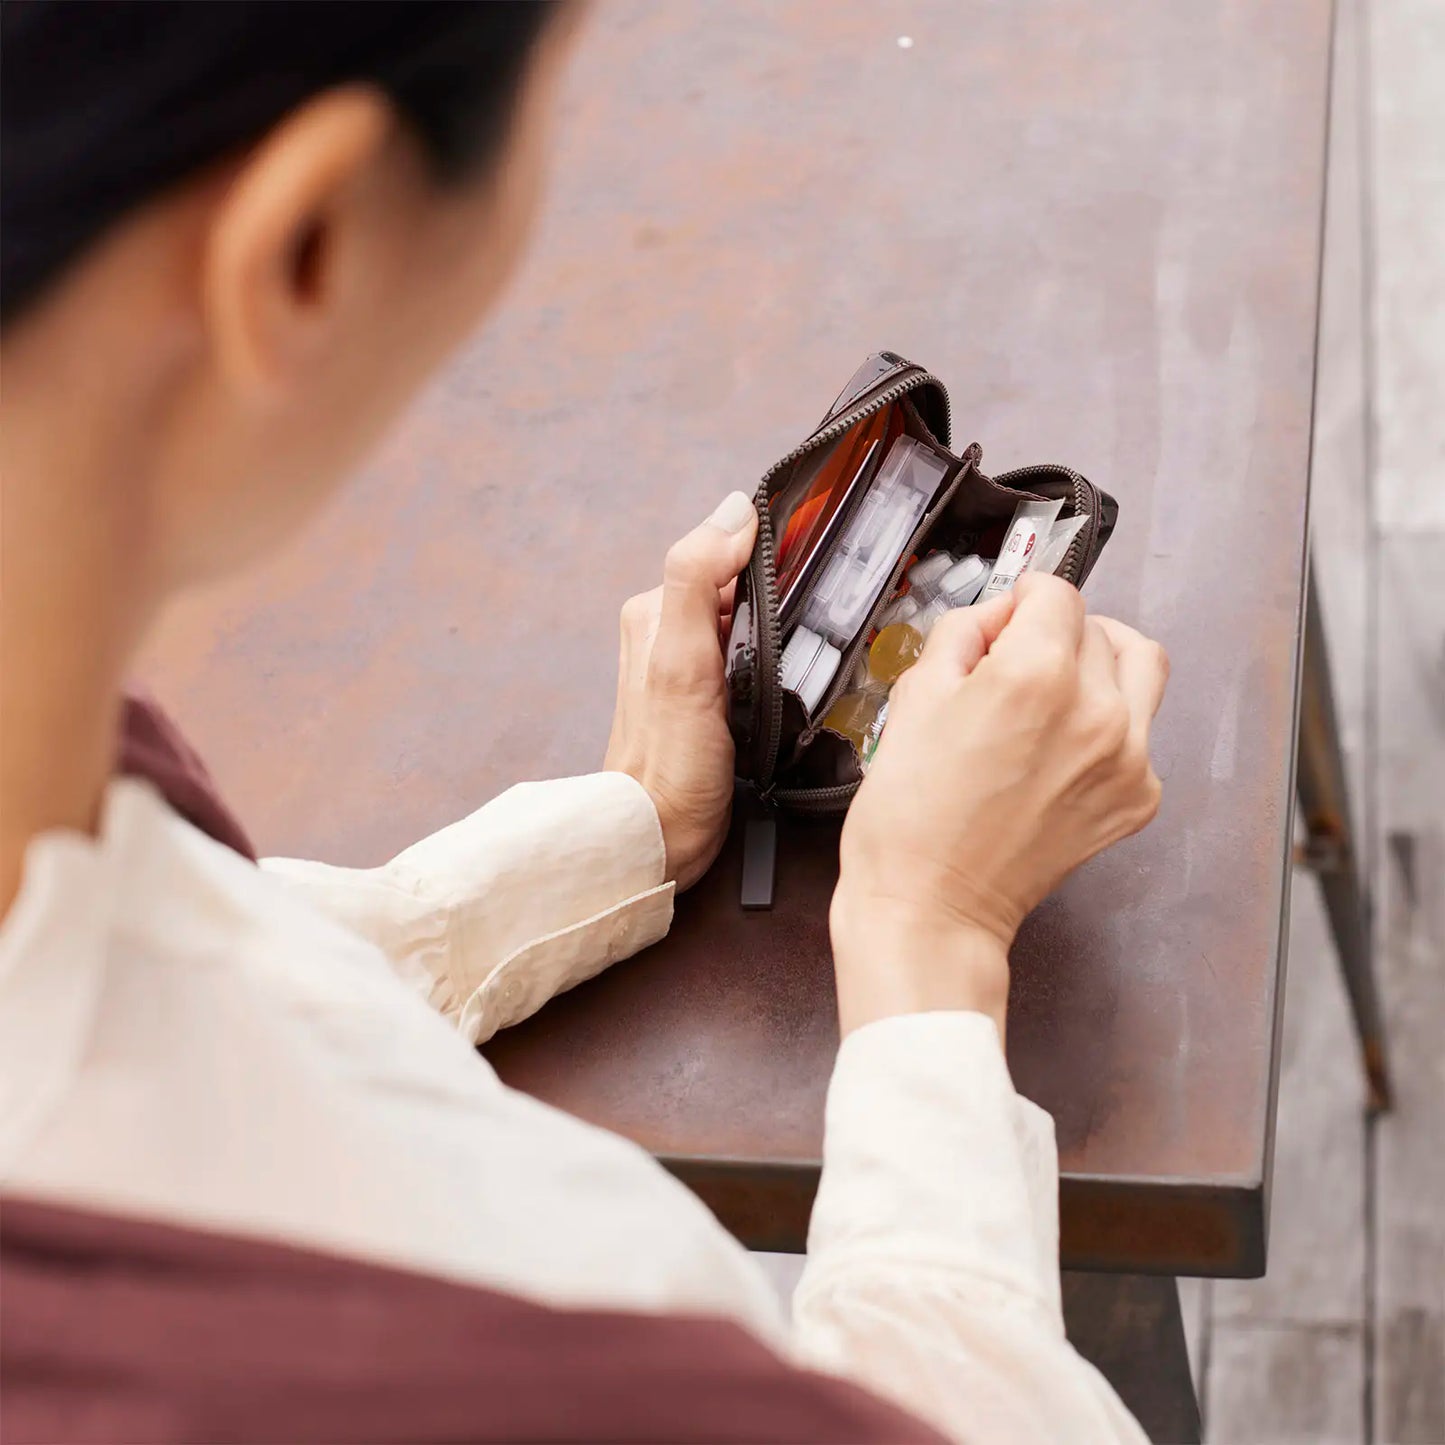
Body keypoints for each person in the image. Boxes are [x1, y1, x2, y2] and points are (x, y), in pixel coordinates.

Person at [0, 4, 1168, 1442]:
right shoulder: (514, 1372)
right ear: (308, 251)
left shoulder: (51, 794)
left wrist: (628, 827)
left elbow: (192, 988)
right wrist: (927, 941)